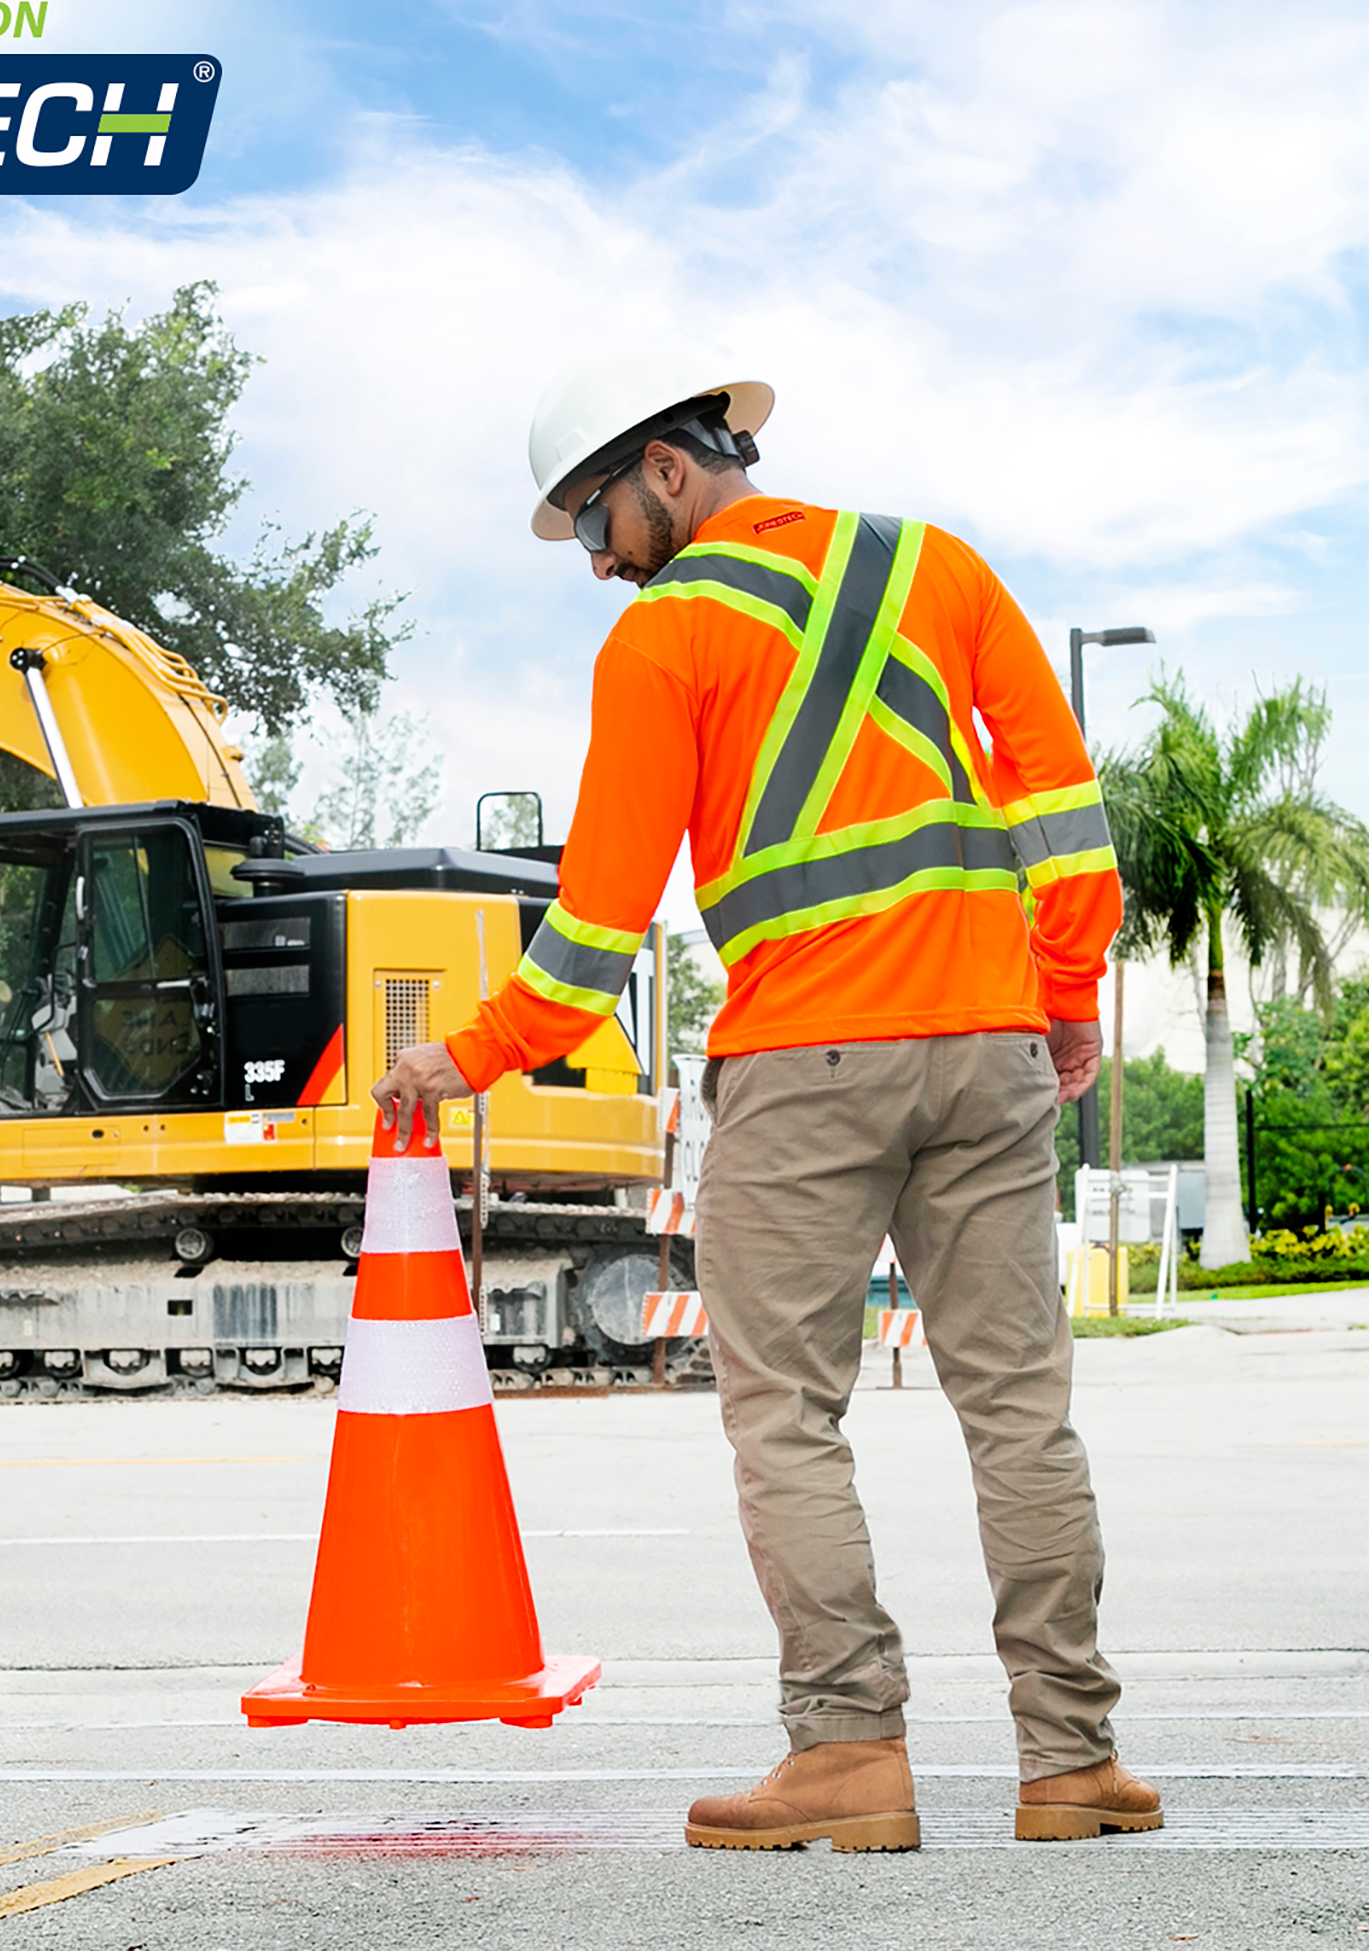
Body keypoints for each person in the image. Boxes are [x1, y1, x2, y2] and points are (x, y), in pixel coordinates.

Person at [371, 356, 1163, 1852]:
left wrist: (461, 1057)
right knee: (1023, 1415)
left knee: (787, 1415)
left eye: (599, 523)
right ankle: (1073, 1763)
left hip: (809, 1066)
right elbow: (1064, 814)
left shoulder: (667, 639)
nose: (601, 565)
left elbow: (598, 928)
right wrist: (1063, 1002)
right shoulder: (941, 568)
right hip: (990, 1047)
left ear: (668, 471)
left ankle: (850, 1756)